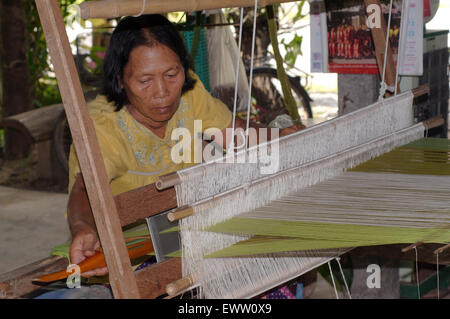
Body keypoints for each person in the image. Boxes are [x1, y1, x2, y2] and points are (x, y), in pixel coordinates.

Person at [67, 14, 303, 280]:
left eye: (171, 74)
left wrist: (282, 135)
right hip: (137, 258)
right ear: (120, 79)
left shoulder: (190, 96)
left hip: (194, 238)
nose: (162, 92)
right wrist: (82, 227)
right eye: (145, 81)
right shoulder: (102, 127)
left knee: (273, 279)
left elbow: (235, 134)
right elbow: (85, 190)